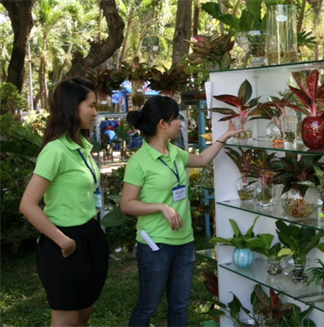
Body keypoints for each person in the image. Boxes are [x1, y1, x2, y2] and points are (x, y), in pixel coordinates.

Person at [120, 95, 241, 327]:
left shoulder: (175, 153)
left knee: (180, 305)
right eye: (177, 118)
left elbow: (204, 159)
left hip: (184, 243)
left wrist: (224, 137)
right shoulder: (140, 161)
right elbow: (126, 204)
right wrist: (161, 207)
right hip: (155, 244)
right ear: (163, 123)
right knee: (148, 306)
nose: (181, 123)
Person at [19, 77, 109, 327]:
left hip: (88, 235)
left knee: (84, 312)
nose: (95, 112)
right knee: (66, 317)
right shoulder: (55, 150)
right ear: (72, 107)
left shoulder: (80, 146)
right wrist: (63, 240)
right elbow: (27, 205)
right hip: (63, 242)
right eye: (90, 106)